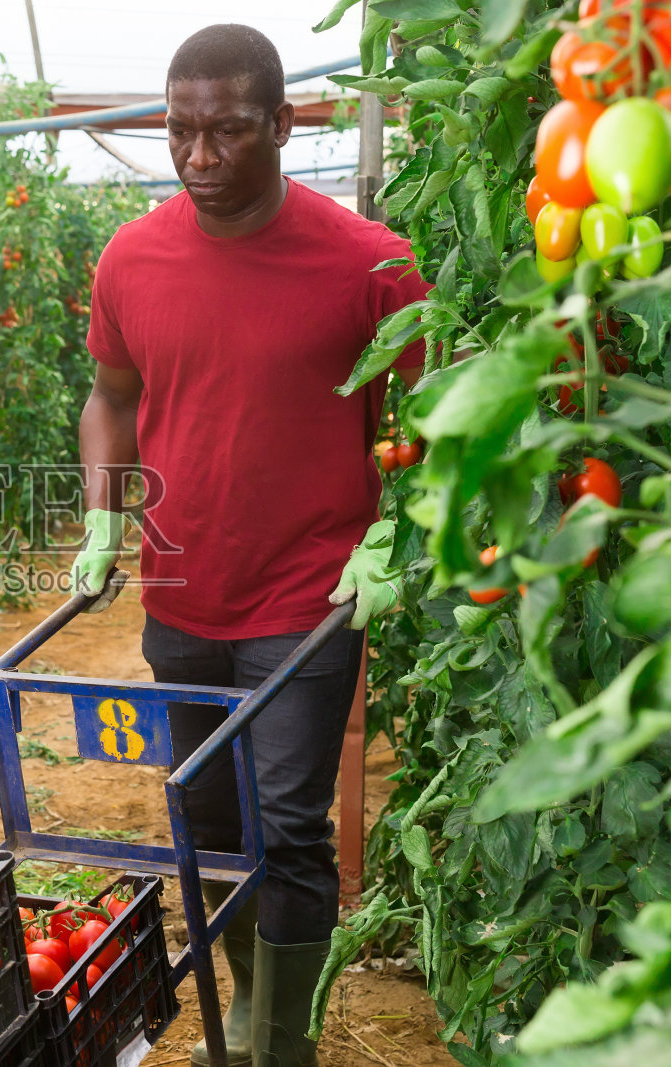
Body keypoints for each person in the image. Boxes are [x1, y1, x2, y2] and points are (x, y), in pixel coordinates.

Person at [69, 23, 428, 1067]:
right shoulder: (131, 257)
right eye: (179, 133)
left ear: (280, 121)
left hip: (308, 595)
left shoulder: (369, 263)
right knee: (209, 817)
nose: (198, 158)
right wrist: (102, 510)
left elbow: (422, 412)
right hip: (181, 589)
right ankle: (248, 1002)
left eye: (226, 131)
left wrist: (395, 524)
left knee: (290, 823)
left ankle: (284, 1045)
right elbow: (110, 392)